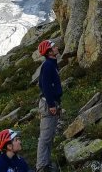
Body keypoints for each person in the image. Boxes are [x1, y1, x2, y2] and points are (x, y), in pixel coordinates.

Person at [35, 39, 62, 172]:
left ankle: (46, 163)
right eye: (54, 47)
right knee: (45, 137)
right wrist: (51, 104)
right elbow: (45, 86)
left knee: (49, 135)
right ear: (49, 52)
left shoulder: (52, 64)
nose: (56, 47)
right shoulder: (48, 65)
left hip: (51, 102)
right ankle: (41, 167)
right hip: (48, 104)